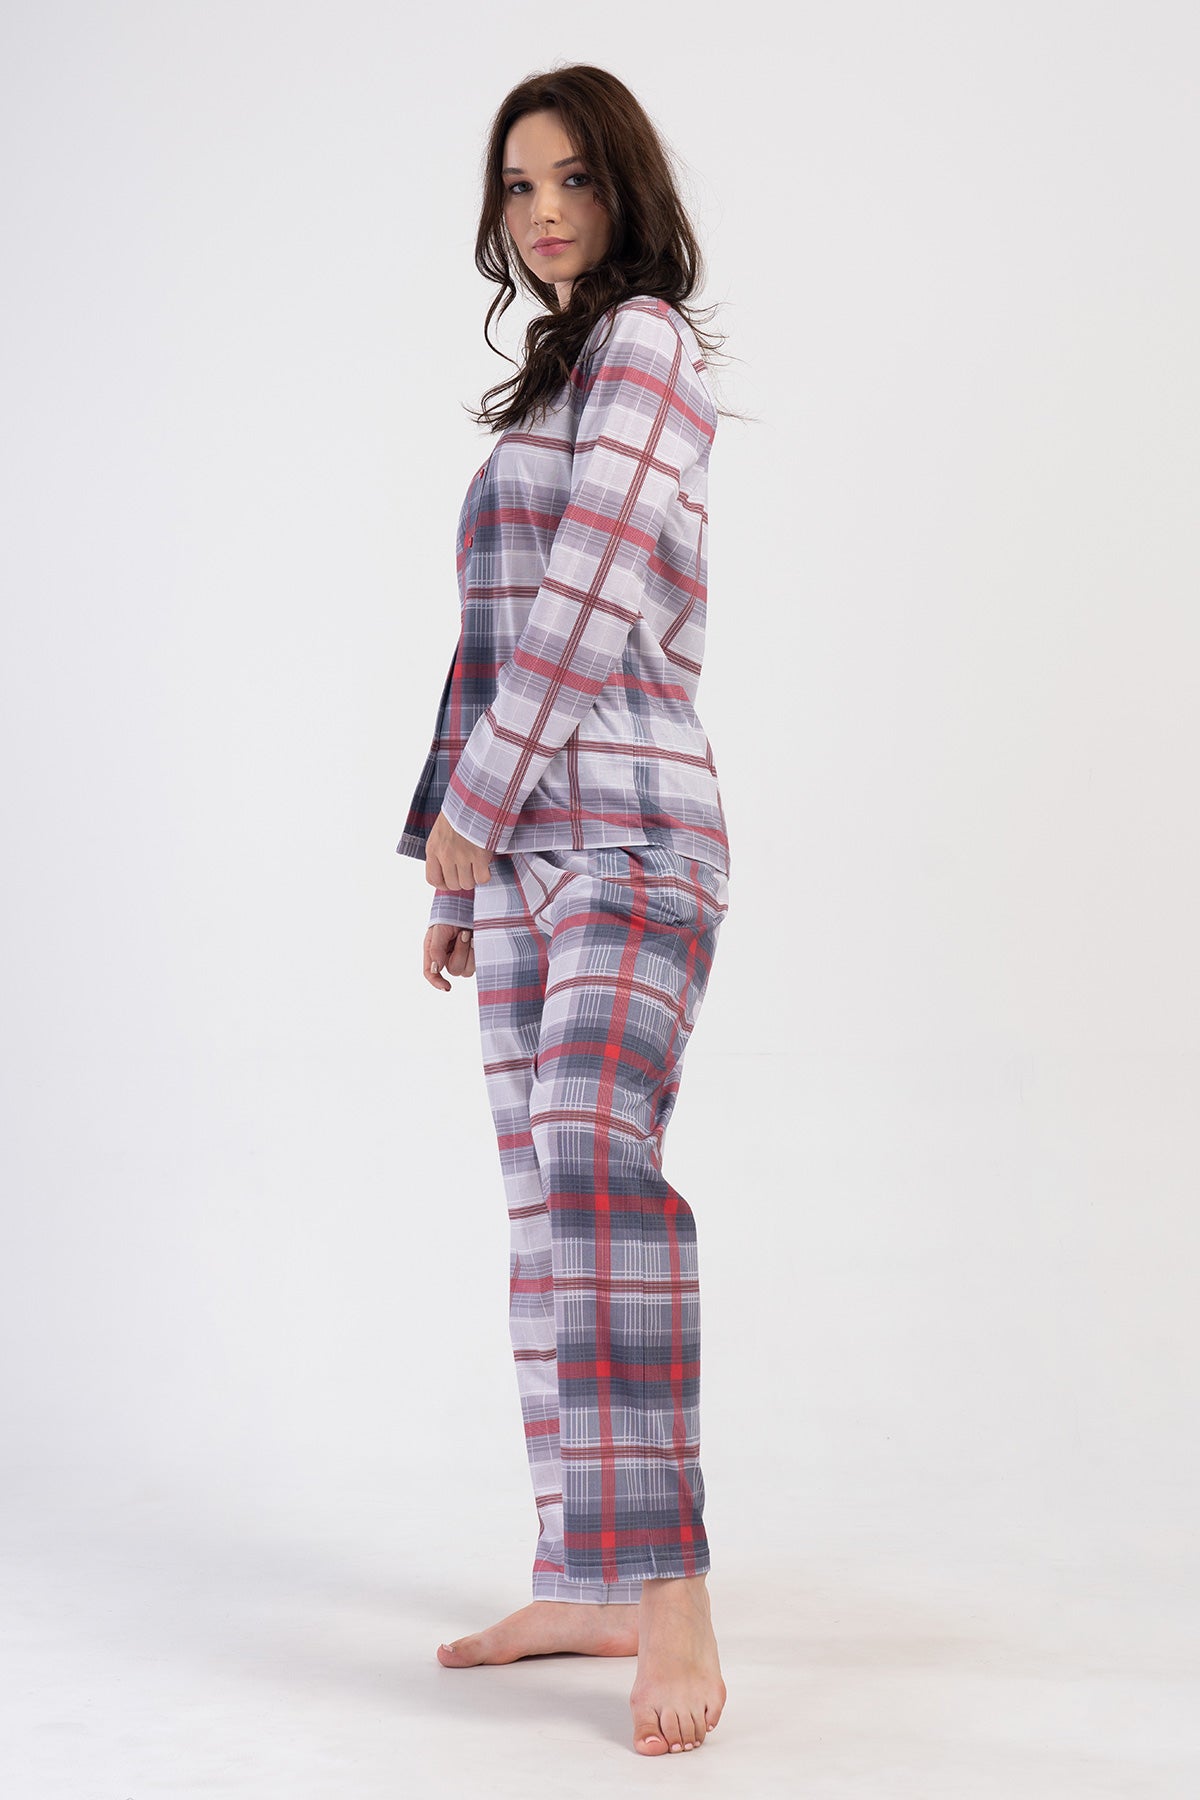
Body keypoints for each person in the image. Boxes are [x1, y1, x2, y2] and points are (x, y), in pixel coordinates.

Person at [394, 65, 734, 1758]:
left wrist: (478, 807)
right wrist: (451, 855)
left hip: (635, 836)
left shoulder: (648, 344)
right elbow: (495, 631)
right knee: (549, 1214)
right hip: (527, 855)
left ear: (627, 189)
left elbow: (593, 589)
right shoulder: (553, 386)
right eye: (520, 185)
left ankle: (673, 1595)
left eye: (576, 179)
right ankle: (587, 1577)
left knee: (599, 1166)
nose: (544, 212)